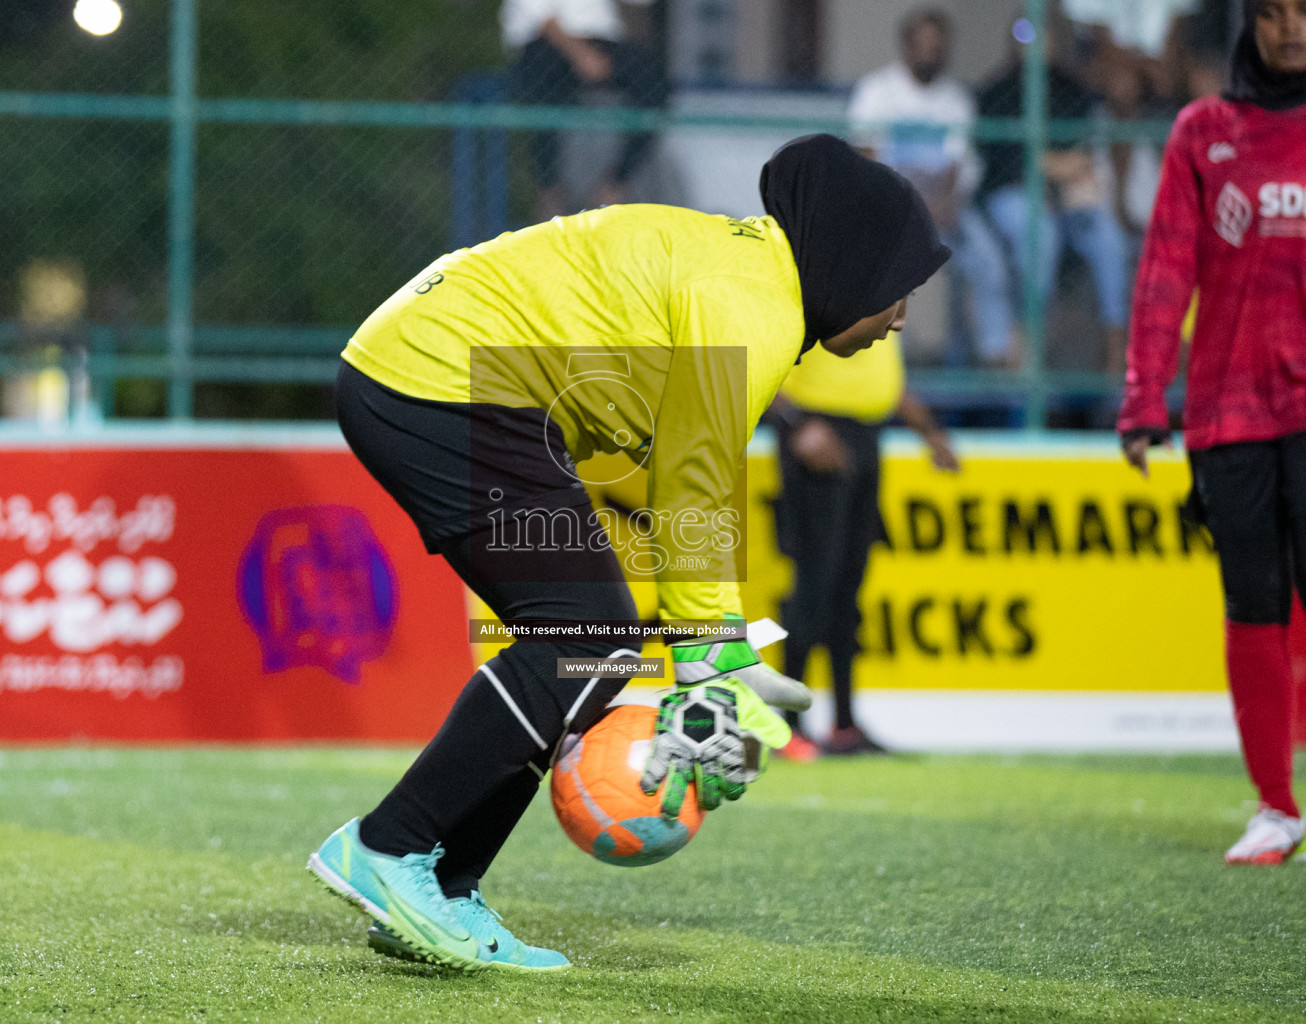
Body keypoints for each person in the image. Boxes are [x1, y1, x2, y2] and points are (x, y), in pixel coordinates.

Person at [309, 135, 951, 970]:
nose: (900, 315)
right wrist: (708, 664)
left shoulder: (755, 279)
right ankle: (393, 847)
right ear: (855, 261)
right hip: (440, 380)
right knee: (586, 637)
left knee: (583, 644)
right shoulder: (752, 305)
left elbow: (679, 472)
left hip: (444, 373)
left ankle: (439, 887)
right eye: (898, 288)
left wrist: (709, 650)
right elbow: (692, 486)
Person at [1121, 0, 1306, 865]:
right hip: (1229, 407)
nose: (1291, 28)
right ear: (1252, 24)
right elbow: (1166, 268)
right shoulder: (1204, 129)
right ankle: (1276, 811)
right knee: (1253, 596)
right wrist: (1143, 397)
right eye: (1273, 12)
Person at [769, 336, 960, 760]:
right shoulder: (814, 280)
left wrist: (927, 430)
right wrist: (797, 422)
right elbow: (760, 353)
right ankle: (787, 725)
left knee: (847, 587)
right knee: (813, 585)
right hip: (816, 431)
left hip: (868, 432)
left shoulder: (877, 292)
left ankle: (844, 725)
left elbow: (882, 378)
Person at [848, 9, 1018, 368]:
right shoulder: (877, 91)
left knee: (987, 257)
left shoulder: (955, 101)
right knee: (873, 263)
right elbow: (866, 161)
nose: (930, 52)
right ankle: (892, 358)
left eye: (937, 45)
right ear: (906, 45)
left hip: (943, 208)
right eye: (922, 44)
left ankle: (995, 354)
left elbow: (957, 164)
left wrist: (942, 202)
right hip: (890, 208)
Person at [979, 17, 1134, 373]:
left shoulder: (1071, 89)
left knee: (1109, 239)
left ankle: (1115, 354)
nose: (1033, 44)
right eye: (1023, 35)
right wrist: (1047, 163)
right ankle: (1030, 349)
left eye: (1041, 35)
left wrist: (1046, 163)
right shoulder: (996, 89)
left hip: (1065, 200)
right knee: (1039, 232)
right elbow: (1005, 161)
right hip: (1012, 197)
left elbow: (1082, 159)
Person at [504, 0, 667, 221]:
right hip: (545, 42)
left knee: (651, 75)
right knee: (543, 89)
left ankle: (616, 184)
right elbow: (543, 19)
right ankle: (550, 192)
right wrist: (581, 55)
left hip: (602, 43)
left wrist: (592, 56)